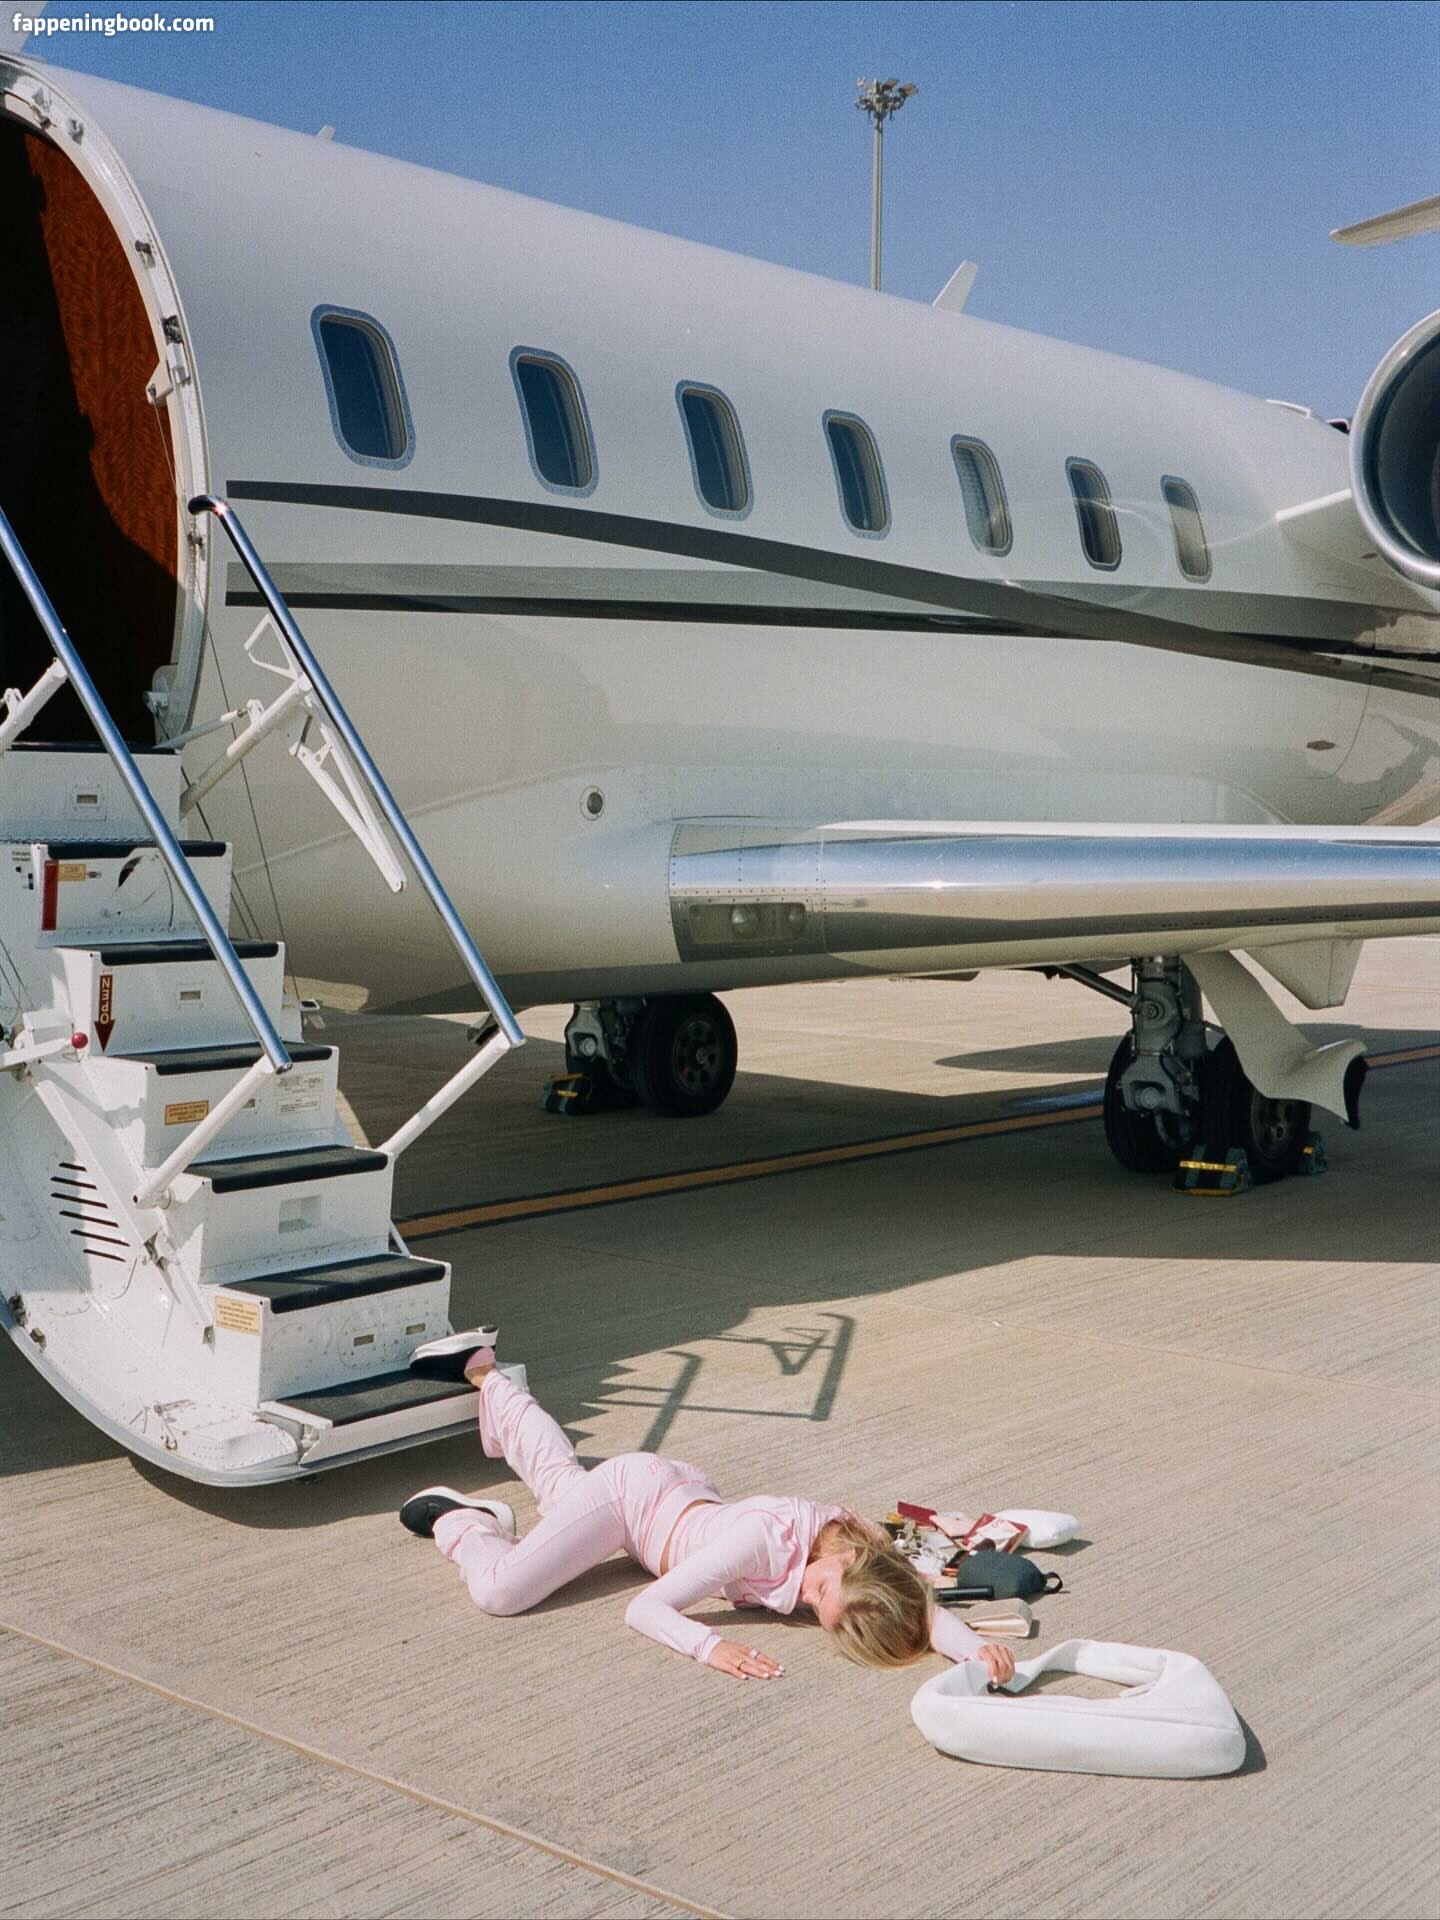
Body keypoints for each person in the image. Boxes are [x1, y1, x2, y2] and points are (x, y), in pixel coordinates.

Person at [400, 1329, 1017, 1686]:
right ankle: (468, 1521)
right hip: (632, 1501)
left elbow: (916, 1603)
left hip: (671, 1497)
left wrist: (973, 1651)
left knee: (559, 1483)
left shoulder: (852, 1550)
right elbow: (645, 1608)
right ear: (849, 1562)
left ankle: (485, 1373)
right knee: (501, 1592)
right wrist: (709, 1646)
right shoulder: (763, 1543)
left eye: (820, 1610)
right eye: (822, 1592)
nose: (809, 1600)